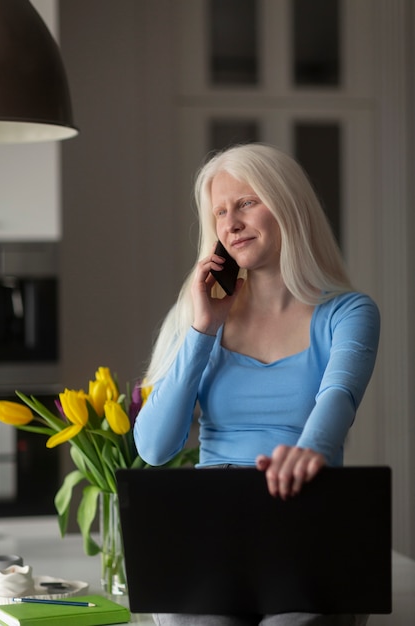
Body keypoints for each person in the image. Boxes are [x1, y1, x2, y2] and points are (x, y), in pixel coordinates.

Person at [134, 143, 380, 626]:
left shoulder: (348, 312)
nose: (231, 222)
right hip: (212, 527)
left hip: (306, 517)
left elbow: (338, 398)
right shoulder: (197, 316)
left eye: (247, 202)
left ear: (288, 204)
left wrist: (306, 453)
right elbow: (154, 447)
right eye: (221, 211)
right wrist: (203, 329)